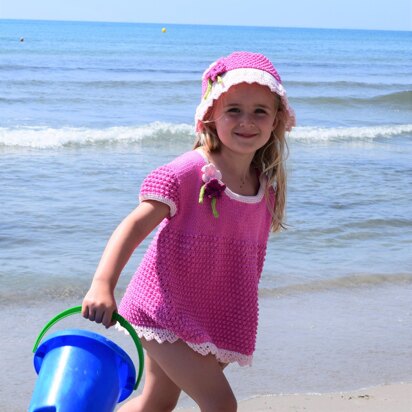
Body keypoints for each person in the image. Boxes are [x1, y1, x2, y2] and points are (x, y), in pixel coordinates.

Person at [82, 51, 295, 412]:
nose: (247, 121)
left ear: (276, 119)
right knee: (221, 404)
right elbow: (133, 225)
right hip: (161, 310)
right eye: (233, 110)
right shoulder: (188, 172)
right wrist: (102, 284)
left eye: (260, 110)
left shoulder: (264, 188)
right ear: (211, 115)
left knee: (155, 404)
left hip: (208, 315)